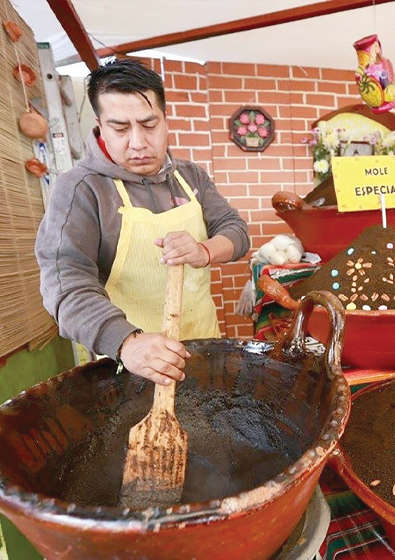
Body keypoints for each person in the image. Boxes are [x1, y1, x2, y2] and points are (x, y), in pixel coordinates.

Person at [36, 60, 249, 387]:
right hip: (130, 368)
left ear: (165, 120)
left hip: (204, 349)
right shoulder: (82, 189)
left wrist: (204, 251)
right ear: (100, 126)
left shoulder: (189, 177)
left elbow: (236, 232)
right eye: (120, 128)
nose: (137, 142)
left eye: (149, 125)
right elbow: (65, 284)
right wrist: (126, 342)